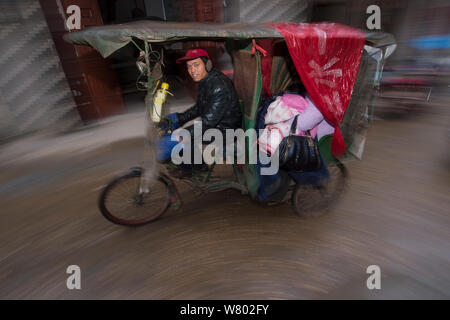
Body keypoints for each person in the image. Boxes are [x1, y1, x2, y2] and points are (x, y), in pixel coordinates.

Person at [162, 48, 242, 177]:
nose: (192, 70)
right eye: (189, 67)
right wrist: (178, 118)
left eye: (196, 65)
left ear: (207, 64)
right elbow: (199, 108)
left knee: (182, 136)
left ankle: (190, 169)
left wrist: (181, 134)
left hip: (226, 130)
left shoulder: (219, 86)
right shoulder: (205, 81)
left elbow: (208, 123)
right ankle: (197, 166)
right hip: (216, 124)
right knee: (176, 127)